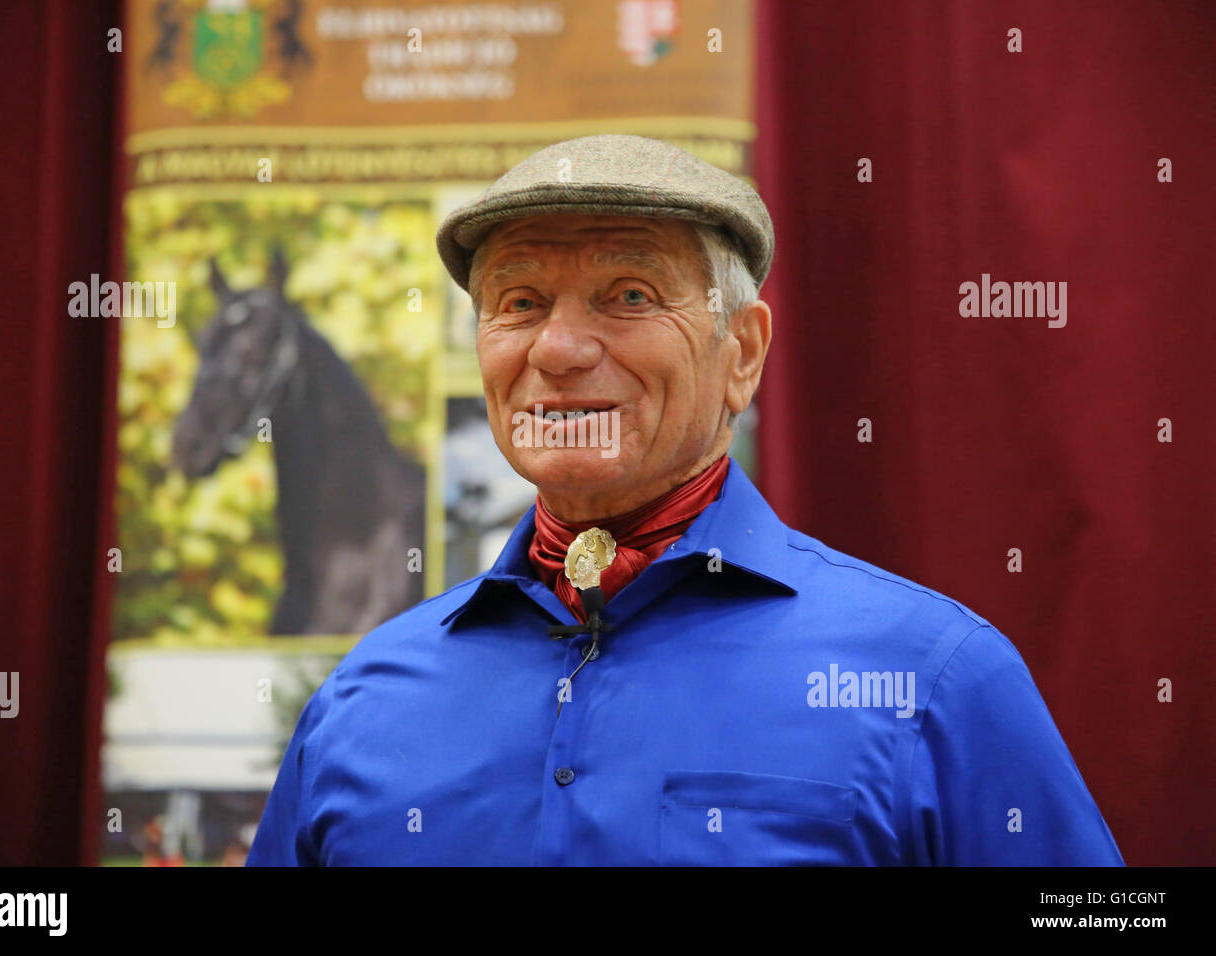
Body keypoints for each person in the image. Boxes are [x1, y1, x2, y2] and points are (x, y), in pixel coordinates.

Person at [247, 134, 1123, 866]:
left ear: (741, 351)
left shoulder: (935, 681)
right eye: (519, 302)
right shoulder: (364, 698)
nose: (556, 347)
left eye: (628, 295)